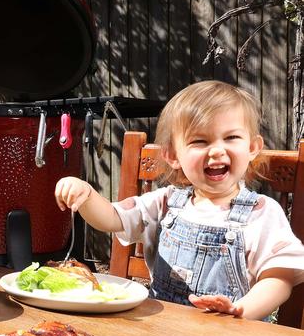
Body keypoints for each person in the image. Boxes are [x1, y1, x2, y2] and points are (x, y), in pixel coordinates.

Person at [55, 80, 304, 321]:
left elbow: (279, 278)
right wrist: (86, 195)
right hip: (163, 332)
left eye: (231, 138)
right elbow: (111, 218)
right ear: (173, 155)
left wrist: (241, 311)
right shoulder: (165, 203)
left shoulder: (261, 213)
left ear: (252, 147)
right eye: (200, 141)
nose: (217, 150)